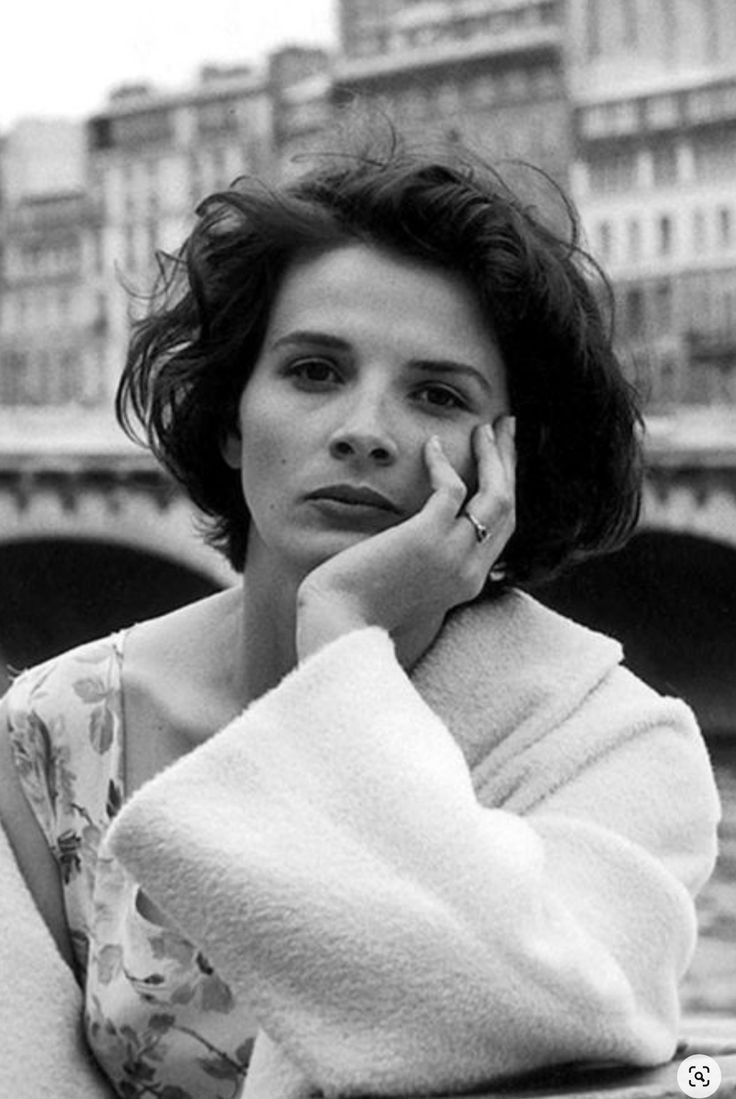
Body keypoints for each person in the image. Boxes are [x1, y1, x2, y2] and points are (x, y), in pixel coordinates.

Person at [0, 123, 721, 1099]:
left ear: (508, 456)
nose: (365, 432)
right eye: (313, 372)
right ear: (227, 415)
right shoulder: (52, 732)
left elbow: (494, 1012)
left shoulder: (614, 748)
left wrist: (339, 641)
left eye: (434, 394)